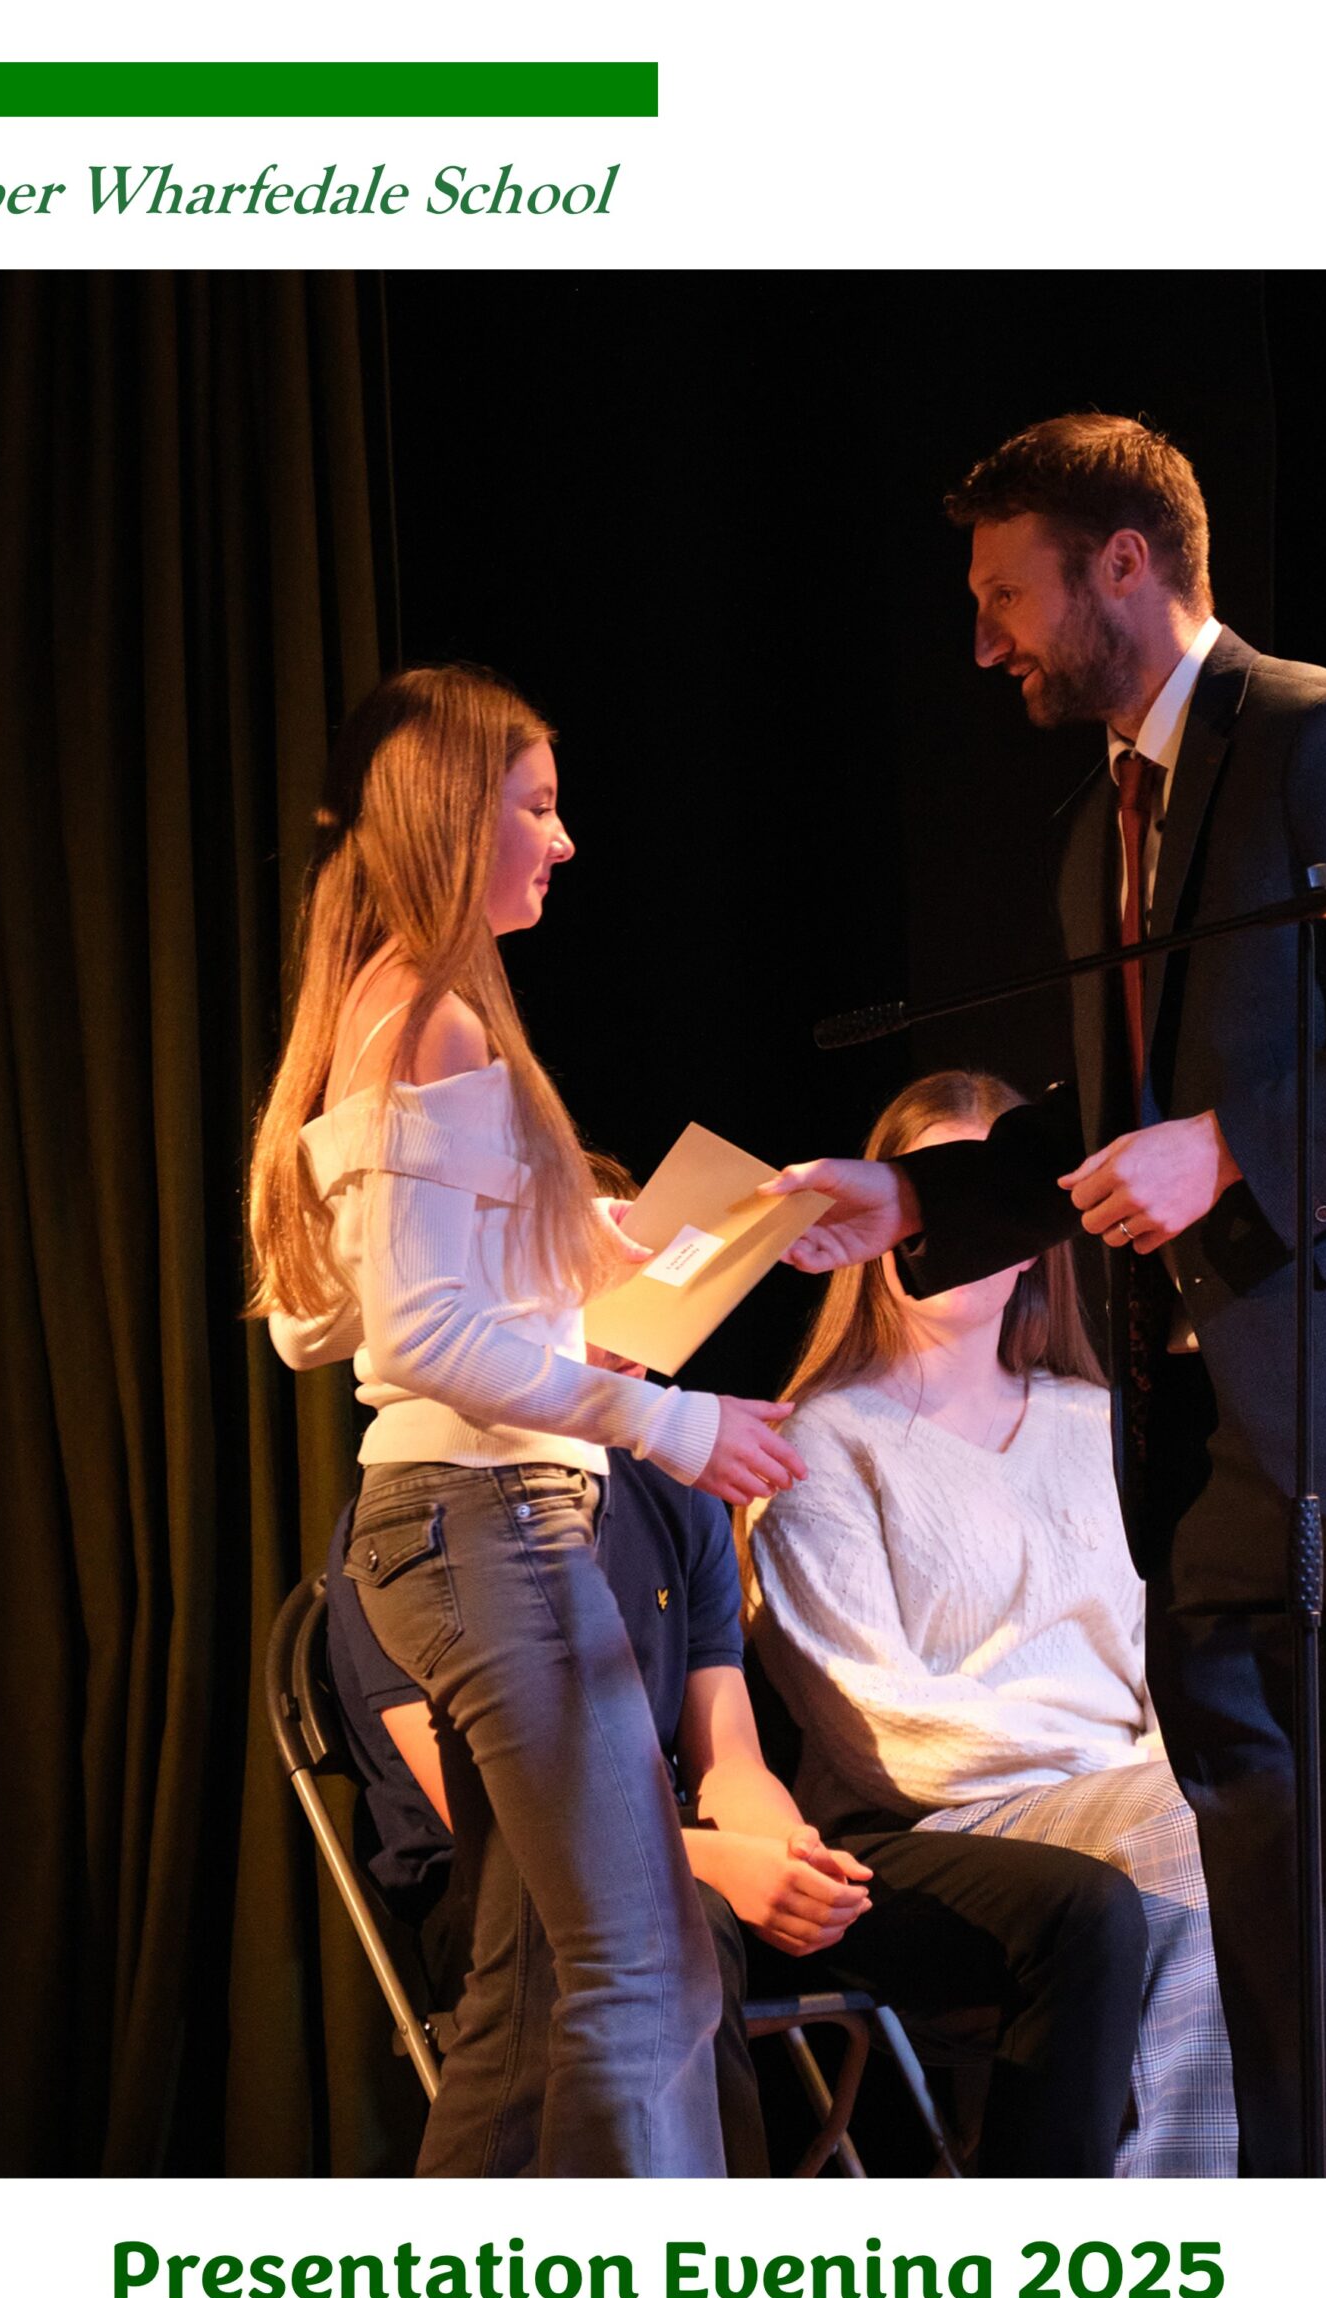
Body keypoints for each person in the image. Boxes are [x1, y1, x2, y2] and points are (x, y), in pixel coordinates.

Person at [772, 414, 1326, 2174]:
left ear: (1123, 567)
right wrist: (919, 1198)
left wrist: (1237, 1146)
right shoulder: (1101, 825)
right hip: (1231, 1461)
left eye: (1005, 595)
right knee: (1279, 1939)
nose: (984, 643)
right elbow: (1120, 1122)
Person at [247, 664, 806, 2177]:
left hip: (454, 1528)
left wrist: (591, 1242)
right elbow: (422, 1334)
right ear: (452, 815)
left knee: (525, 2000)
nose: (563, 841)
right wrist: (670, 1428)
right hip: (488, 1523)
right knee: (648, 1976)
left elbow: (325, 1311)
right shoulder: (428, 1020)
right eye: (537, 807)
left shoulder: (385, 1011)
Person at [747, 1069, 1326, 2176]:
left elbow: (1175, 1656)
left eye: (974, 1192)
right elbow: (876, 1722)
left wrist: (1173, 1772)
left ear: (1028, 1231)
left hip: (1148, 1788)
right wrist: (1142, 1778)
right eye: (922, 1192)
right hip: (953, 1818)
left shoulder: (1097, 1422)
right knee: (1202, 1875)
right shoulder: (816, 1441)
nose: (947, 1229)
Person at [326, 1292, 1148, 2178]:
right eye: (586, 1301)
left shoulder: (666, 1490)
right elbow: (502, 1819)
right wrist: (722, 1866)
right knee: (692, 1923)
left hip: (694, 1855)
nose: (630, 1334)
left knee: (1079, 1910)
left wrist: (786, 1853)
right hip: (516, 1889)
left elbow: (729, 1761)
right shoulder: (432, 1525)